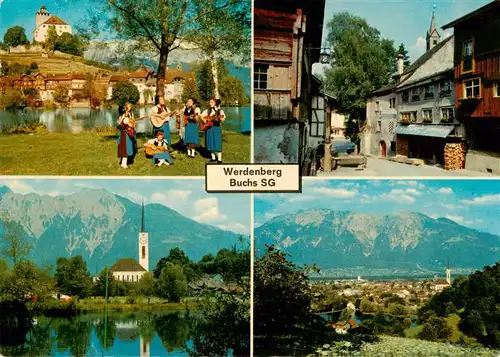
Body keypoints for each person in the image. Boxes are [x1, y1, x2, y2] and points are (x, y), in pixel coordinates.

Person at [116, 101, 147, 169]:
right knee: (126, 148)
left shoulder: (129, 115)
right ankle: (124, 164)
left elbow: (131, 123)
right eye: (129, 107)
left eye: (130, 106)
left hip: (127, 134)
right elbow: (126, 124)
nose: (130, 108)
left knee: (126, 148)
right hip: (125, 134)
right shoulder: (125, 116)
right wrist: (132, 124)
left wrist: (133, 122)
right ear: (126, 108)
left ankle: (124, 163)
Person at [201, 98, 225, 163]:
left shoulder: (220, 111)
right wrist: (205, 121)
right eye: (210, 102)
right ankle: (213, 158)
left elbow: (222, 119)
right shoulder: (207, 111)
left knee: (217, 142)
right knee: (210, 142)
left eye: (211, 102)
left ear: (215, 103)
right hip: (209, 128)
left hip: (216, 128)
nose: (210, 103)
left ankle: (219, 159)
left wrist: (220, 118)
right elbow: (202, 117)